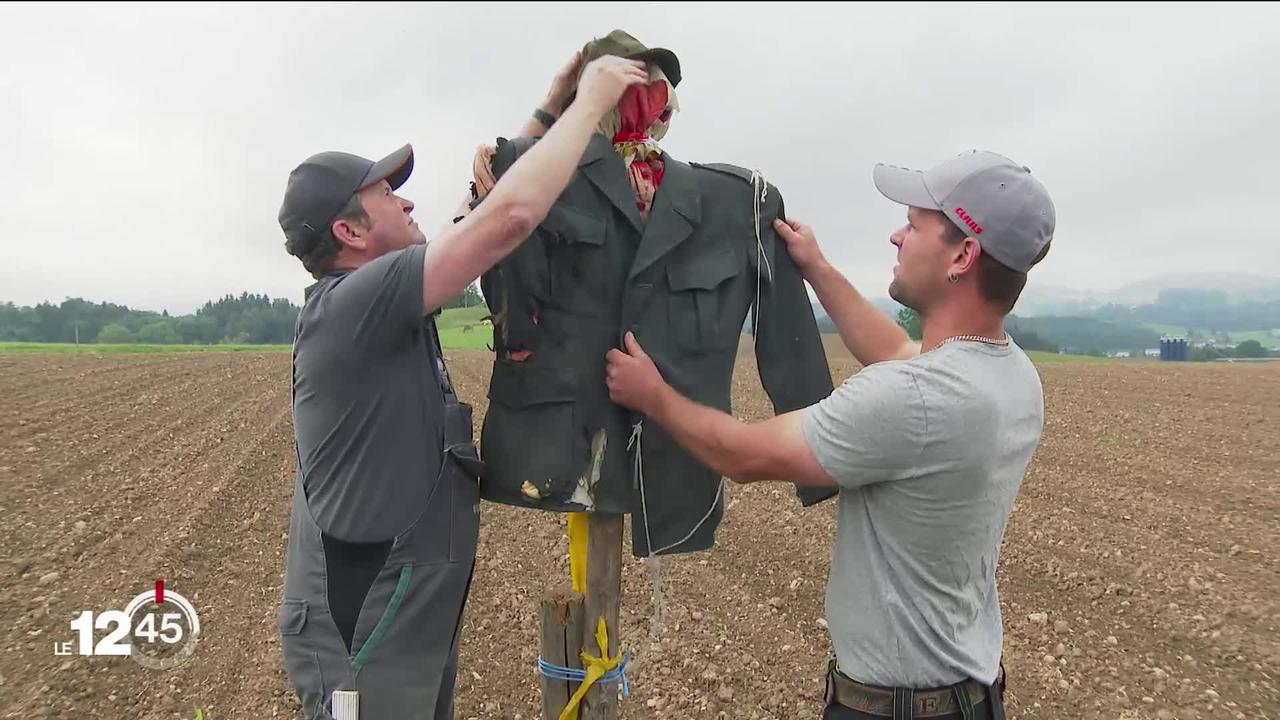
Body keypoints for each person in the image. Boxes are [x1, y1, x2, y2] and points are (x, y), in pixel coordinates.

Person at [605, 150, 1055, 719]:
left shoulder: (914, 400)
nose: (896, 236)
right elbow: (894, 351)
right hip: (968, 697)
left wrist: (655, 398)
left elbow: (742, 456)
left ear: (962, 255)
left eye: (914, 226)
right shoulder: (1009, 374)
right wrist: (816, 267)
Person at [273, 54, 648, 720]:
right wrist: (591, 102)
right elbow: (505, 222)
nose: (408, 199)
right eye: (386, 195)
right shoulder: (356, 305)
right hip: (361, 632)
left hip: (400, 618)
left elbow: (469, 223)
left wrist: (545, 109)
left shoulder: (381, 303)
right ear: (349, 232)